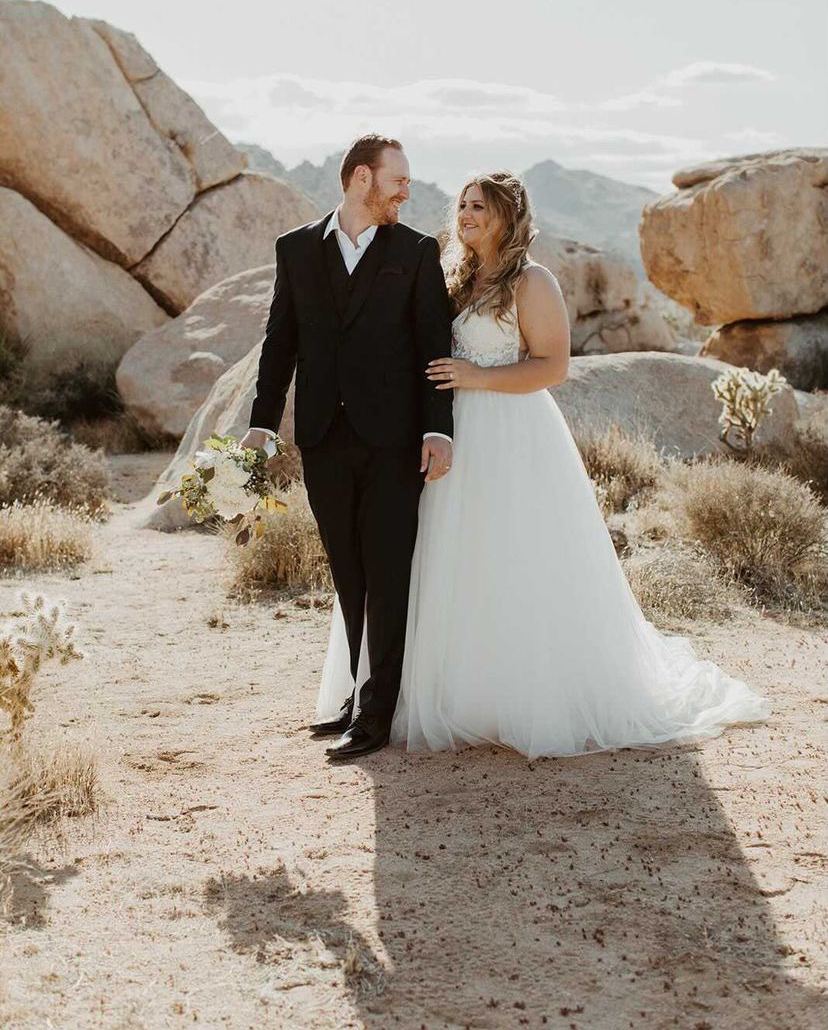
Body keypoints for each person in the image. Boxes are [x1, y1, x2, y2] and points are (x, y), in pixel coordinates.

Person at [316, 171, 771, 758]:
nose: (466, 215)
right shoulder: (449, 276)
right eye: (462, 205)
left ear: (508, 216)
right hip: (438, 435)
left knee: (507, 558)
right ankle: (408, 693)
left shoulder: (532, 282)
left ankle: (506, 696)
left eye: (479, 206)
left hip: (509, 436)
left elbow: (553, 367)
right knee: (429, 558)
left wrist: (478, 377)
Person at [241, 134, 454, 761]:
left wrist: (438, 430)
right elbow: (280, 342)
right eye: (399, 180)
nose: (407, 191)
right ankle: (357, 692)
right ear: (361, 179)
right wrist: (261, 421)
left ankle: (377, 713)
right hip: (322, 439)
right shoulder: (296, 250)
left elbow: (432, 348)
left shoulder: (416, 253)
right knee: (348, 573)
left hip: (395, 443)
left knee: (387, 574)